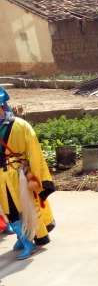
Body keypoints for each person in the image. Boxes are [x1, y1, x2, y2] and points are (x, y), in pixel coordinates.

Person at [0, 88, 56, 260]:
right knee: (9, 211)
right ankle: (21, 237)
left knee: (24, 208)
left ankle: (28, 242)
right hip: (2, 177)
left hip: (18, 176)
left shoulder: (21, 126)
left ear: (2, 106)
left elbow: (34, 153)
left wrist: (41, 179)